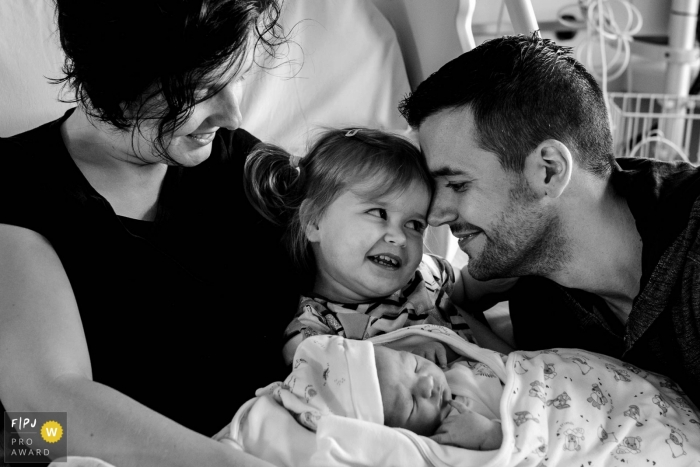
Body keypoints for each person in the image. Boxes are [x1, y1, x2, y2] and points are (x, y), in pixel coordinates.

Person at [0, 1, 299, 466]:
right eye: (201, 90)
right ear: (118, 79)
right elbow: (35, 419)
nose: (233, 114)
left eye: (236, 77)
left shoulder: (244, 168)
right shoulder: (17, 187)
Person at [398, 34, 700, 406]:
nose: (435, 214)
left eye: (458, 184)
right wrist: (459, 300)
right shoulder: (540, 305)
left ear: (549, 170)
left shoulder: (692, 250)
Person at [244, 128, 513, 367]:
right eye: (379, 213)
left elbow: (464, 288)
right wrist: (396, 353)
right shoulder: (317, 325)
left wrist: (496, 279)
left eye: (415, 224)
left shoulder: (423, 274)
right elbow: (316, 366)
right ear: (314, 221)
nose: (399, 237)